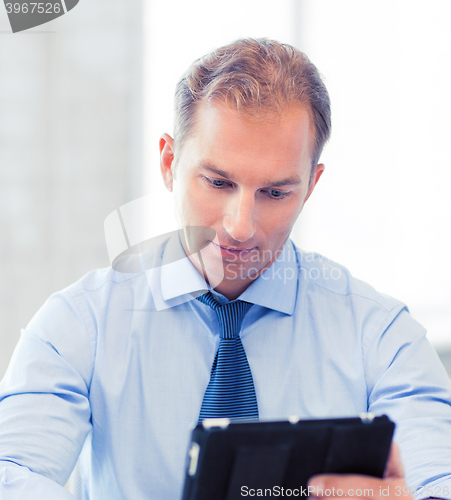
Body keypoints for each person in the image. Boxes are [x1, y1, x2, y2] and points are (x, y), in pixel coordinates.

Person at [0, 38, 450, 500]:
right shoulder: (79, 325)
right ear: (170, 163)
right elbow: (11, 471)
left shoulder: (383, 337)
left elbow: (438, 479)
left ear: (311, 186)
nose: (239, 227)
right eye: (218, 182)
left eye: (275, 193)